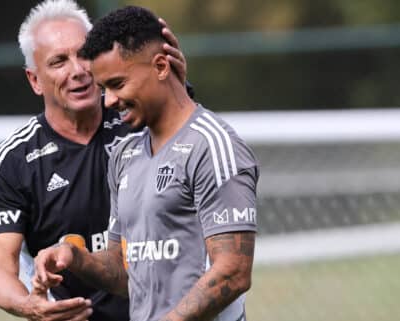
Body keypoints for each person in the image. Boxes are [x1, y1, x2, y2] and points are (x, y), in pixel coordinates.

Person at [33, 6, 259, 321]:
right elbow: (125, 270)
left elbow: (233, 271)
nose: (108, 101)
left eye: (117, 84)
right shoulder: (125, 156)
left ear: (162, 66)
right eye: (103, 89)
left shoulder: (211, 145)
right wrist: (74, 257)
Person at [0, 1, 188, 320]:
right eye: (59, 61)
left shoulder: (145, 118)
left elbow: (197, 149)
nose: (77, 70)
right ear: (34, 80)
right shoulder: (12, 163)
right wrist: (29, 306)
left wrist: (174, 88)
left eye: (83, 54)